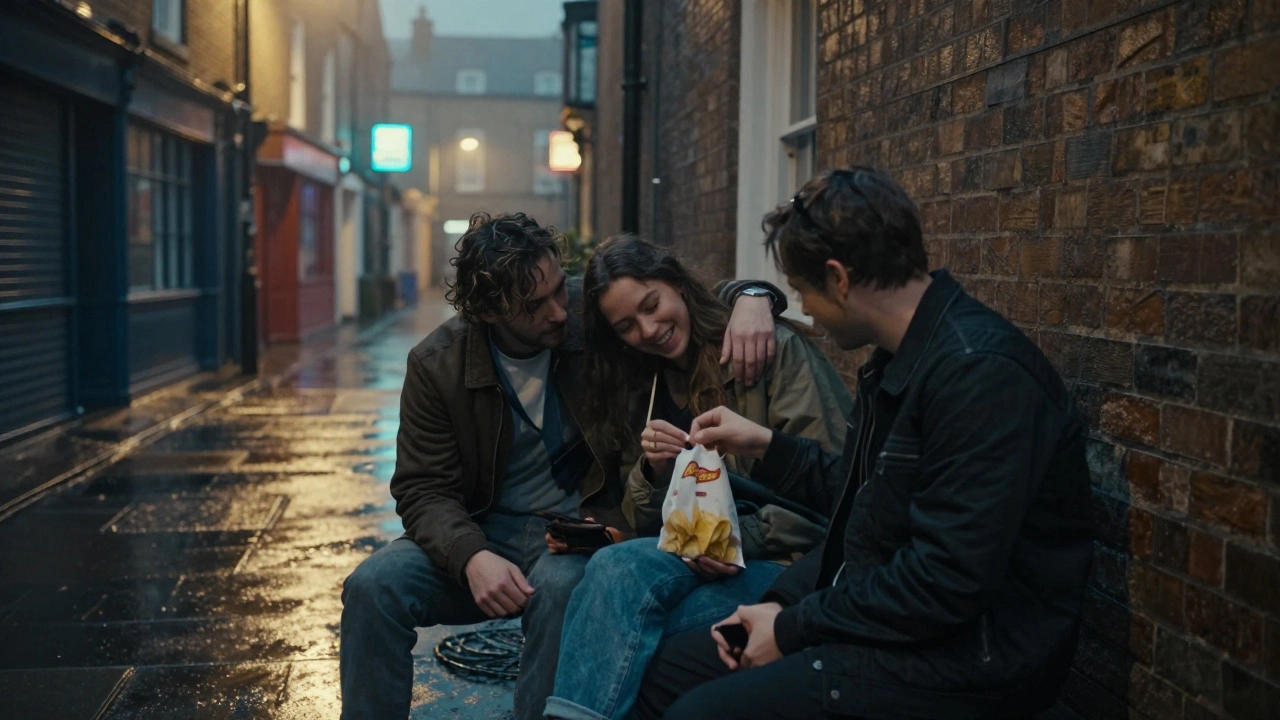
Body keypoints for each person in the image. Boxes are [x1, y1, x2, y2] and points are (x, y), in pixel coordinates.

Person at [629, 168, 1094, 720]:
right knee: (669, 673)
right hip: (884, 620)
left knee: (699, 713)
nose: (805, 312)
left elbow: (944, 581)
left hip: (971, 660)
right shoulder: (896, 365)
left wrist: (792, 625)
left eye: (802, 293)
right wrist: (777, 598)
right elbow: (860, 516)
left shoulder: (980, 374)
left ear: (838, 278)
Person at [338, 212, 782, 720]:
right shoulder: (437, 364)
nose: (558, 311)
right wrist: (469, 556)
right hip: (483, 528)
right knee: (373, 587)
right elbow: (421, 488)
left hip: (583, 525)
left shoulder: (583, 313)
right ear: (489, 312)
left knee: (560, 586)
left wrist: (753, 296)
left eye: (556, 289)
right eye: (534, 305)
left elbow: (672, 297)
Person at [543, 236, 853, 720]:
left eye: (652, 304)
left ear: (677, 284)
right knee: (611, 586)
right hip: (695, 563)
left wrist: (722, 539)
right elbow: (646, 522)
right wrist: (653, 470)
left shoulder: (765, 350)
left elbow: (835, 495)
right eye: (627, 326)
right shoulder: (643, 384)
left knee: (615, 611)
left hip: (793, 569)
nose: (649, 330)